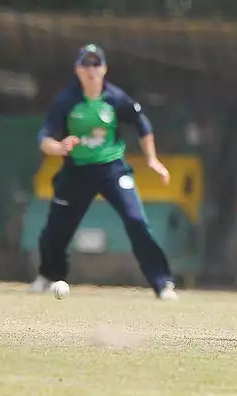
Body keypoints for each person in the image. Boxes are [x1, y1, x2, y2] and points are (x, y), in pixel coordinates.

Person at [29, 44, 177, 300]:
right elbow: (44, 138)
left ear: (105, 68)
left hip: (112, 169)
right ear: (77, 69)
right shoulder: (67, 100)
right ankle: (49, 275)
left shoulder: (116, 98)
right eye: (85, 64)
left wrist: (152, 159)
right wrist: (59, 146)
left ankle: (162, 283)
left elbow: (142, 124)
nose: (91, 70)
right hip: (76, 171)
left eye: (96, 64)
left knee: (136, 220)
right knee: (56, 229)